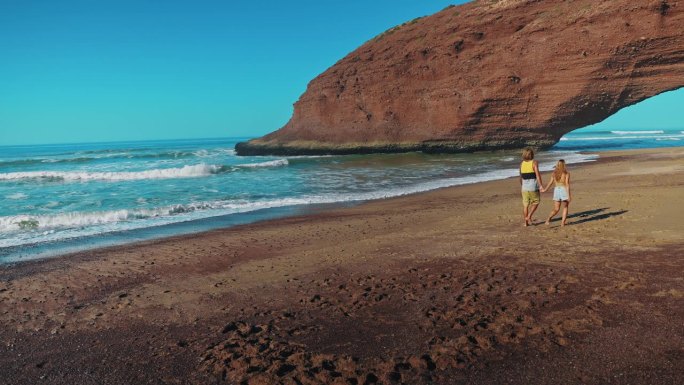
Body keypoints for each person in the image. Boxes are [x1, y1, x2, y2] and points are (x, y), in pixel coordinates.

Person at [542, 159, 571, 226]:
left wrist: (545, 189)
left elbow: (550, 183)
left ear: (557, 165)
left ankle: (548, 219)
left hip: (556, 190)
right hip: (563, 190)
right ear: (564, 165)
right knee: (565, 207)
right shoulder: (566, 173)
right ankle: (562, 223)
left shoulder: (554, 173)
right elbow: (567, 184)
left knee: (556, 209)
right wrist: (569, 195)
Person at [519, 148, 543, 227]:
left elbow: (521, 177)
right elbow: (538, 175)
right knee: (536, 202)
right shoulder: (534, 162)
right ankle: (529, 216)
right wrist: (541, 186)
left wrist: (522, 186)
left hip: (524, 187)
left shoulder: (521, 164)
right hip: (533, 186)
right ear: (531, 155)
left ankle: (526, 223)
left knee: (525, 205)